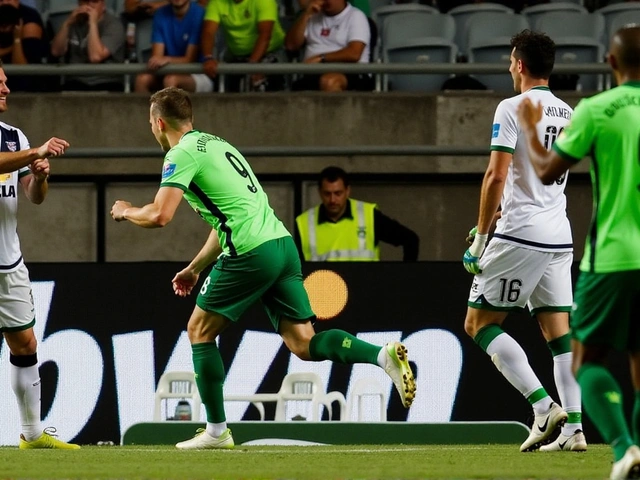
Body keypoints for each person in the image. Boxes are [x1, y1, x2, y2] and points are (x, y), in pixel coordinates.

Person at [109, 86, 416, 449]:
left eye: (150, 123)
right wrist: (194, 268)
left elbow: (160, 214)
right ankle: (381, 357)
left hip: (250, 252)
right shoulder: (218, 144)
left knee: (199, 331)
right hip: (282, 246)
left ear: (159, 123)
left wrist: (125, 210)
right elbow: (224, 220)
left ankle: (216, 431)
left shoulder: (181, 153)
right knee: (304, 343)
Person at [517, 24, 640, 479]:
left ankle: (624, 446)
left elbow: (548, 171)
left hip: (612, 255)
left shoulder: (596, 108)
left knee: (585, 358)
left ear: (611, 63)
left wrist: (531, 131)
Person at [462, 30, 586, 453]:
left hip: (520, 233)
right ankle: (575, 429)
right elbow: (539, 177)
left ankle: (543, 407)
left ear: (518, 65)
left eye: (510, 60)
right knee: (559, 336)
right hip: (559, 234)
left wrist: (481, 240)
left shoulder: (511, 106)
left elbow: (496, 174)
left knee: (478, 324)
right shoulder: (569, 112)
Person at [0, 61, 79, 450]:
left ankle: (31, 435)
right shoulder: (21, 144)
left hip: (8, 263)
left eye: (6, 82)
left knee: (26, 345)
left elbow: (31, 196)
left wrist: (40, 175)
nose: (6, 89)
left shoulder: (14, 137)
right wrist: (37, 150)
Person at [295, 166, 419, 262]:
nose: (332, 200)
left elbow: (410, 240)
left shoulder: (368, 216)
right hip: (324, 294)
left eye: (338, 193)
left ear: (347, 191)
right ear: (320, 193)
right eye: (327, 194)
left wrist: (407, 277)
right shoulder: (305, 223)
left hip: (364, 292)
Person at [284, 0, 374, 92]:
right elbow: (291, 46)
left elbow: (354, 53)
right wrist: (306, 14)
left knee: (329, 82)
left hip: (351, 72)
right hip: (313, 73)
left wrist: (321, 58)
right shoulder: (313, 16)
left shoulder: (356, 16)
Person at [200, 0, 286, 92]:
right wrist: (208, 57)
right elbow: (208, 32)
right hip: (236, 55)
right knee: (226, 85)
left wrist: (251, 65)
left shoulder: (264, 1)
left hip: (270, 51)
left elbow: (265, 35)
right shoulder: (216, 2)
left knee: (262, 82)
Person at [134, 0, 212, 93]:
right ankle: (145, 108)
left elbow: (190, 59)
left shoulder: (200, 14)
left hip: (198, 73)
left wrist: (167, 59)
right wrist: (162, 60)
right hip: (168, 71)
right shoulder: (160, 13)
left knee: (171, 80)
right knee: (142, 79)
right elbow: (157, 58)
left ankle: (171, 108)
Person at [50, 0, 126, 92]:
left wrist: (92, 23)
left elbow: (95, 57)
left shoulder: (114, 25)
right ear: (79, 4)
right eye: (85, 1)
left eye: (94, 1)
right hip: (75, 81)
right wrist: (66, 24)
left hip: (106, 81)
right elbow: (56, 51)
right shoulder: (73, 22)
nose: (89, 5)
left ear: (103, 5)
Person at [0, 0, 48, 92]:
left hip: (26, 83)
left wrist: (17, 38)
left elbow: (22, 68)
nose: (5, 3)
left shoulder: (29, 17)